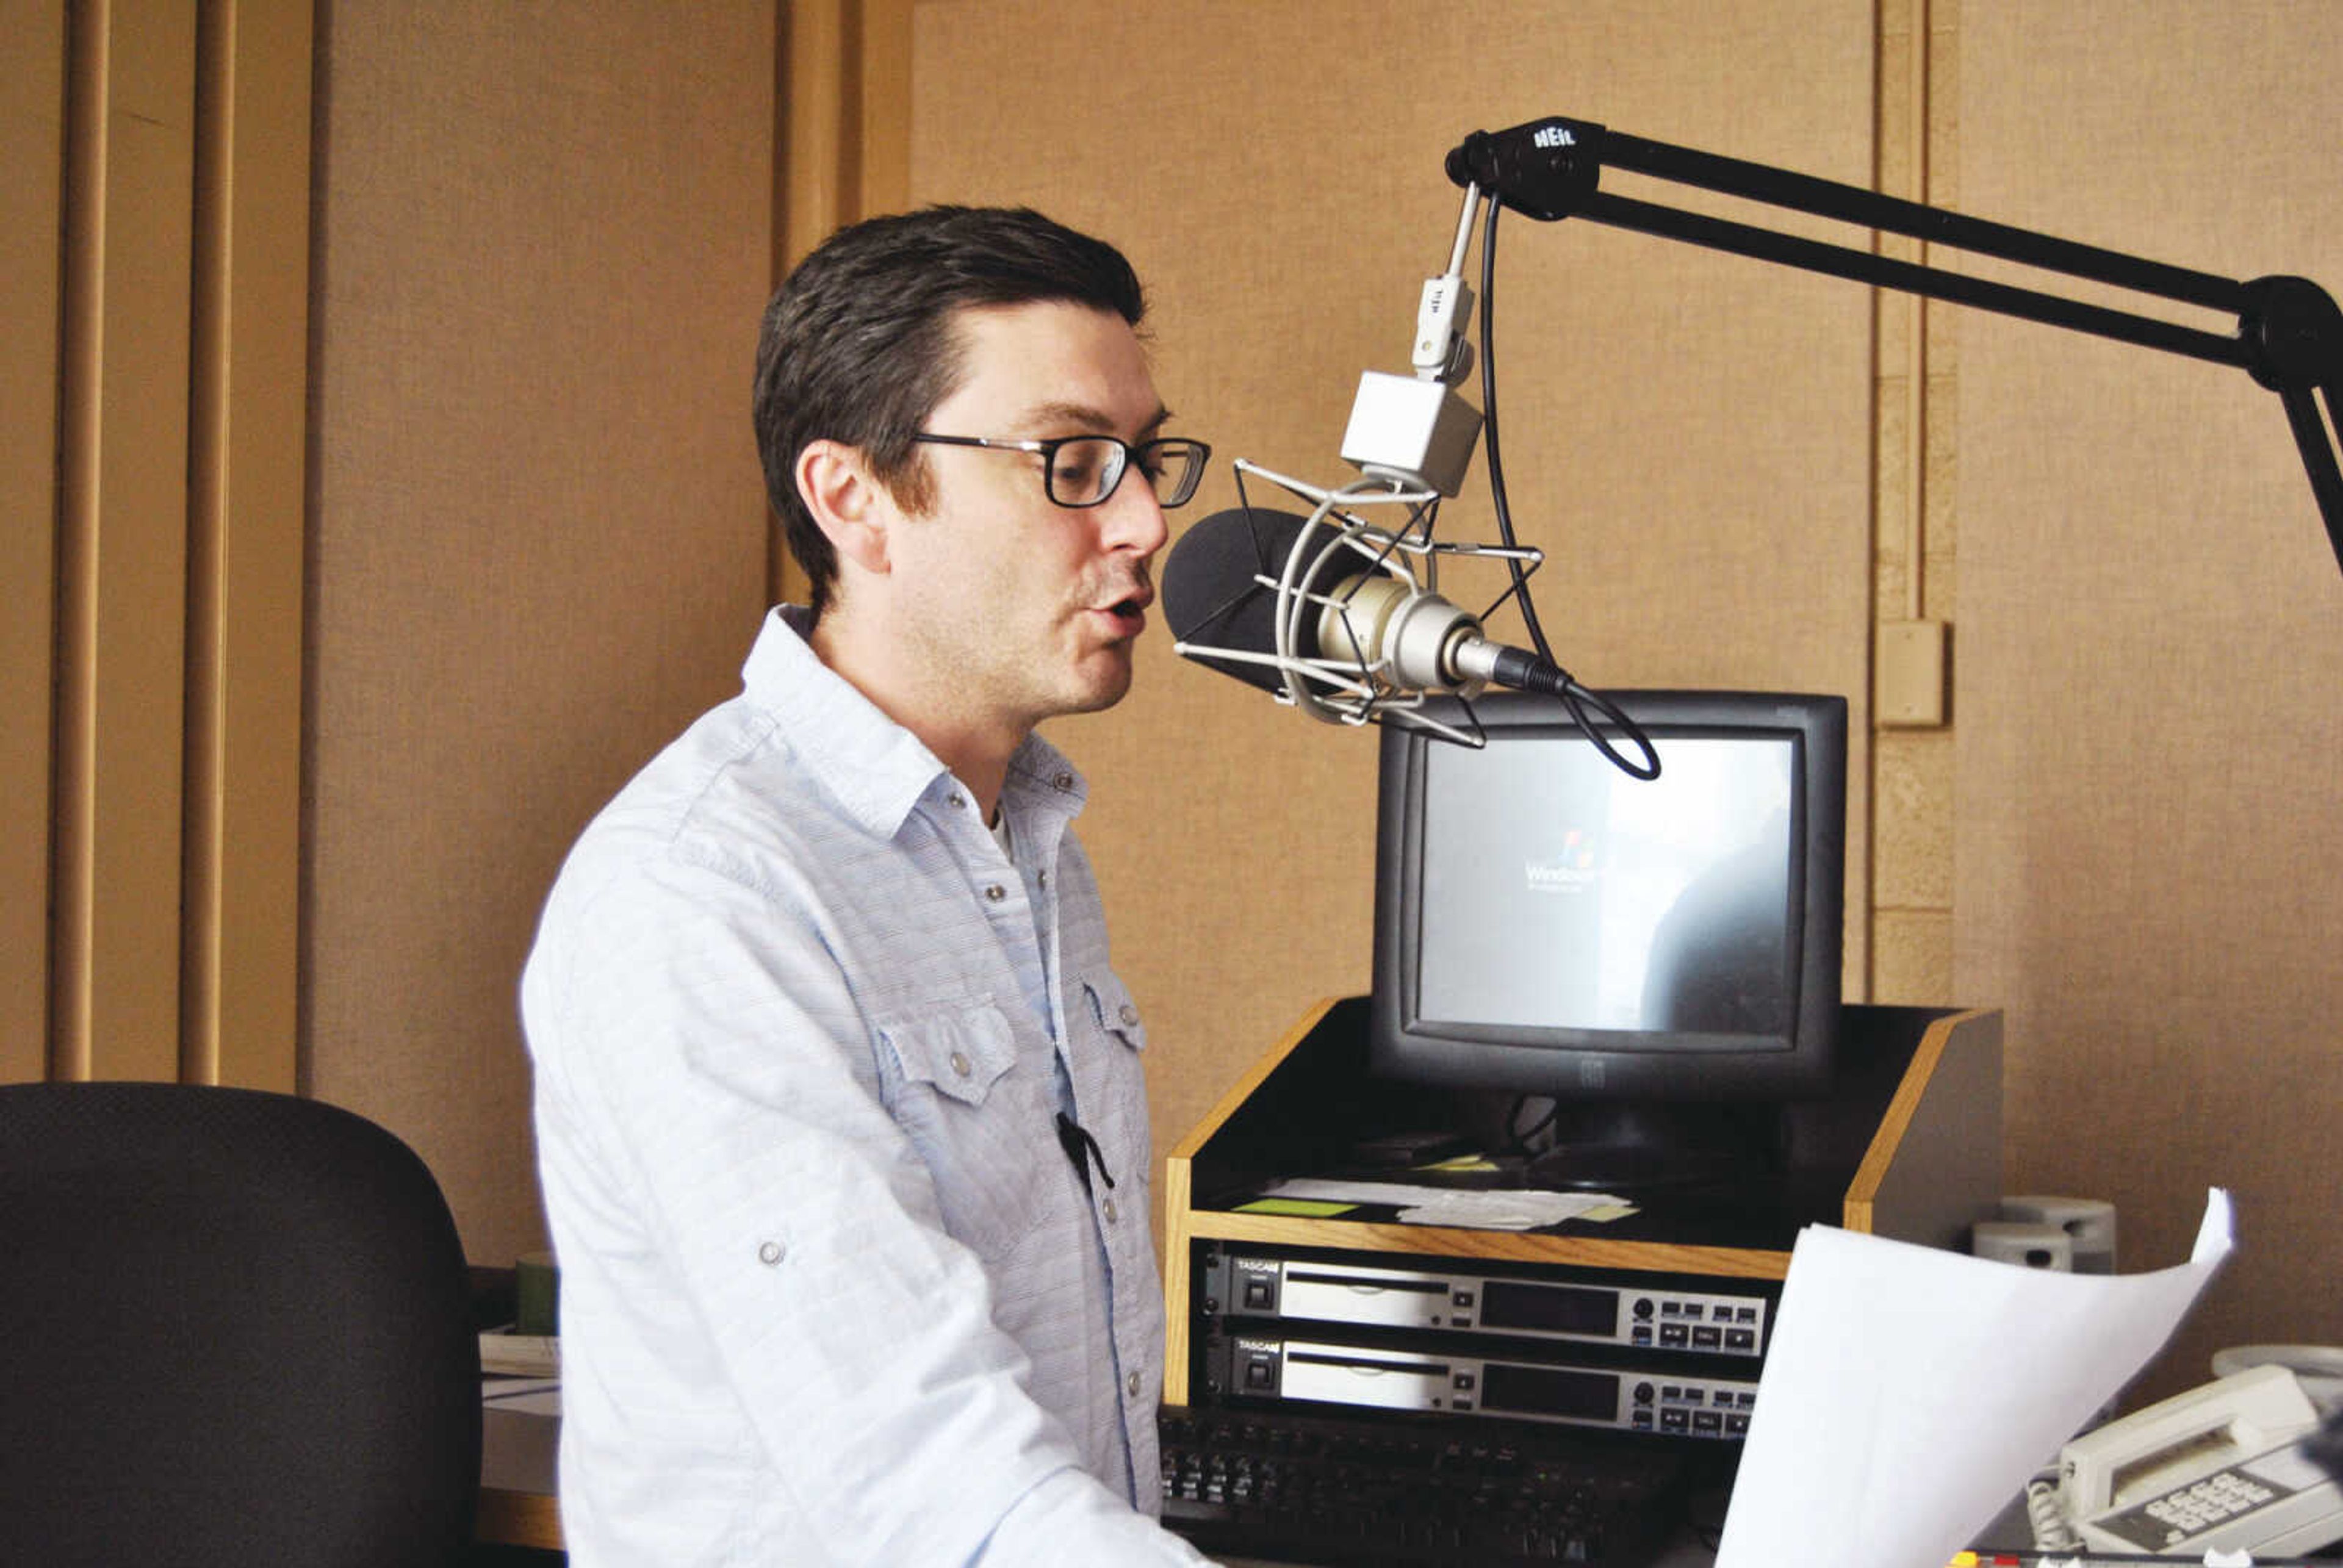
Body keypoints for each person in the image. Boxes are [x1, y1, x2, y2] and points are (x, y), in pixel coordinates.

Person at [521, 206, 1217, 1564]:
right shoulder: (698, 897)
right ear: (855, 498)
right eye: (1073, 462)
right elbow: (926, 1469)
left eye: (1145, 460)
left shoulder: (1026, 840)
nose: (1144, 520)